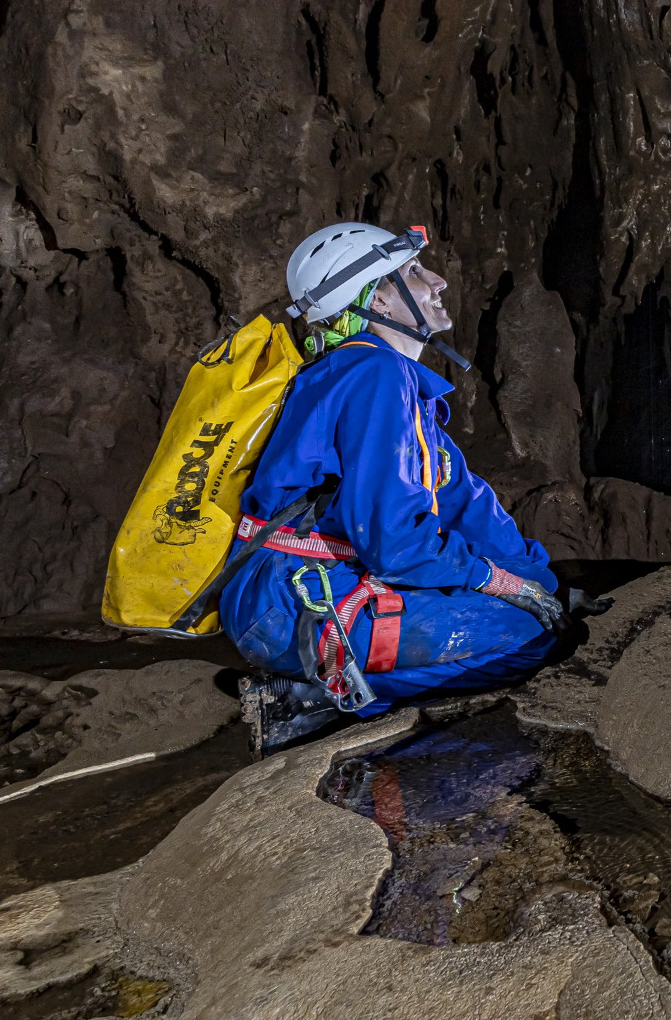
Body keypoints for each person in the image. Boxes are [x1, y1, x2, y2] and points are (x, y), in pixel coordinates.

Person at [222, 222, 596, 752]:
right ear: (376, 298)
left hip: (316, 586)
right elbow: (395, 545)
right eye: (413, 271)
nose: (437, 280)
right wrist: (502, 586)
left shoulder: (400, 388)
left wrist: (542, 585)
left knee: (543, 619)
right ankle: (308, 700)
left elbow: (468, 507)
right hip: (291, 602)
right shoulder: (369, 374)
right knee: (525, 638)